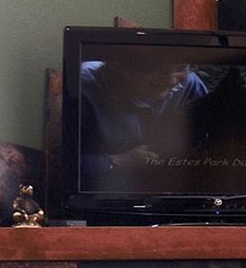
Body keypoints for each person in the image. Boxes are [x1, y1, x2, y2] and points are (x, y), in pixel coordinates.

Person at [80, 59, 208, 189]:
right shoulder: (81, 88)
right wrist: (117, 161)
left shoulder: (190, 84)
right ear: (120, 65)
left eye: (180, 68)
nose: (171, 81)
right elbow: (63, 164)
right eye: (158, 69)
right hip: (100, 193)